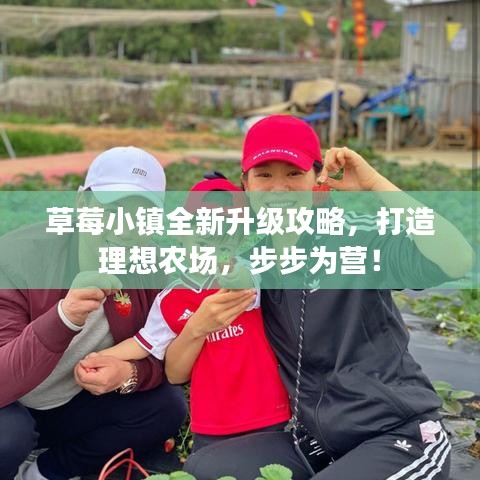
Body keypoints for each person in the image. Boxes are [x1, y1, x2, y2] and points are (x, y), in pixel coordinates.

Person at [183, 115, 475, 480]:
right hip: (317, 441)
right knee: (205, 467)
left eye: (293, 174)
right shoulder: (255, 266)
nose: (278, 189)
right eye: (264, 175)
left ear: (317, 181)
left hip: (397, 433)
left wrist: (374, 183)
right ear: (246, 184)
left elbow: (456, 260)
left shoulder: (354, 241)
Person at [0, 146, 186, 480]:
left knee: (166, 407)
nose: (125, 228)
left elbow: (163, 350)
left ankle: (45, 471)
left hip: (71, 406)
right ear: (82, 203)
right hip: (11, 407)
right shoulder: (16, 259)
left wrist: (129, 373)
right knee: (7, 436)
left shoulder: (152, 265)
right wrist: (65, 317)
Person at [92, 176, 292, 452]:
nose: (211, 249)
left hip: (267, 408)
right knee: (210, 466)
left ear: (239, 241)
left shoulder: (250, 275)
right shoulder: (170, 299)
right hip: (211, 418)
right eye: (201, 235)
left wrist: (233, 275)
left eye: (224, 243)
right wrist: (98, 358)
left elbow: (246, 280)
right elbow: (144, 342)